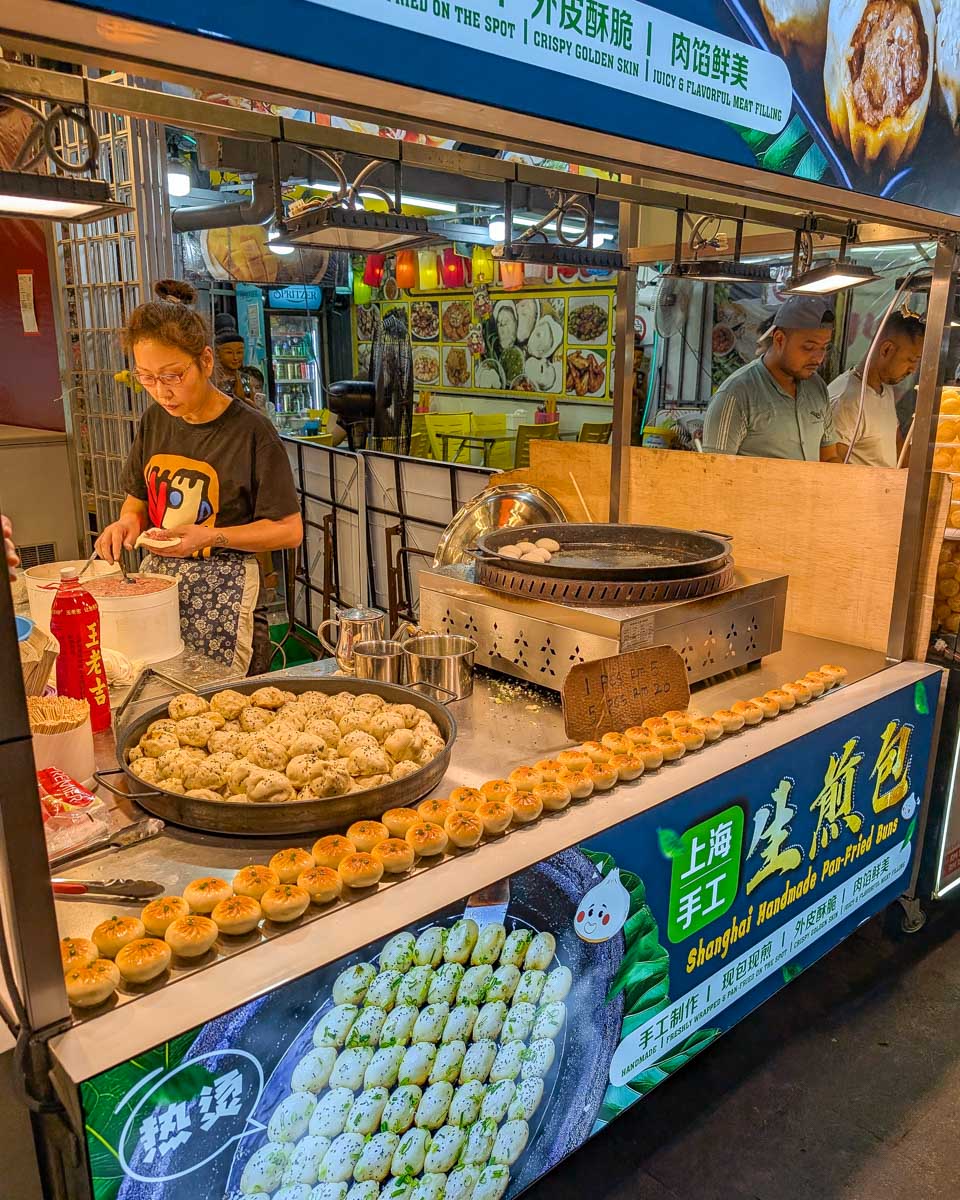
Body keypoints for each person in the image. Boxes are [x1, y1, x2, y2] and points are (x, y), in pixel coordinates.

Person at [94, 280, 302, 676]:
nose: (161, 392)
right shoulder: (155, 420)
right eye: (147, 378)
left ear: (205, 362)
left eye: (172, 376)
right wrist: (126, 524)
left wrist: (212, 537)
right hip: (161, 588)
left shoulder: (251, 431)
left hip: (229, 593)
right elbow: (138, 500)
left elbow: (288, 531)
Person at [703, 296, 840, 462]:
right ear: (779, 339)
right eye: (808, 347)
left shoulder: (817, 387)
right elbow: (715, 472)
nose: (818, 358)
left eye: (824, 348)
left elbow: (829, 458)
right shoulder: (735, 395)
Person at [828, 310, 925, 467]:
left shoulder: (885, 389)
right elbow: (833, 468)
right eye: (911, 360)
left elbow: (897, 442)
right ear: (886, 349)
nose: (913, 369)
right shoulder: (847, 401)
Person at [215, 322, 257, 407]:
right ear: (217, 353)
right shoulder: (213, 380)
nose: (235, 357)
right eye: (229, 352)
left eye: (239, 352)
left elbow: (252, 407)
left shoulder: (245, 379)